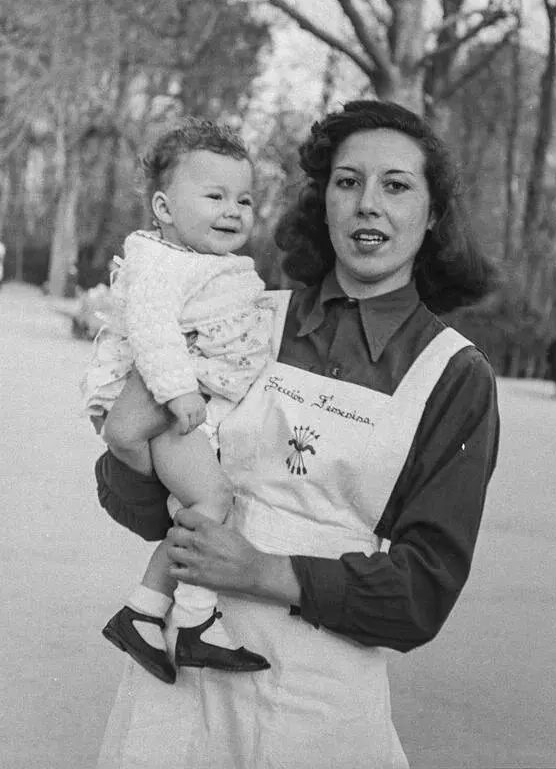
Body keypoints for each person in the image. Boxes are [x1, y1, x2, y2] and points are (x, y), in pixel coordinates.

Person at [94, 99, 501, 769]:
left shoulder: (454, 376)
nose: (369, 204)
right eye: (348, 182)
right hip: (175, 681)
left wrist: (259, 569)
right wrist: (128, 450)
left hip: (317, 705)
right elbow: (138, 500)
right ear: (325, 205)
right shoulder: (247, 314)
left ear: (431, 216)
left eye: (396, 186)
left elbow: (422, 591)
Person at [82, 119, 275, 685]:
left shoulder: (205, 262)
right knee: (211, 499)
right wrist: (177, 391)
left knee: (202, 504)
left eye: (243, 199)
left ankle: (145, 611)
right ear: (164, 208)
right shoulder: (161, 261)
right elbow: (150, 329)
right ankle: (191, 618)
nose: (233, 210)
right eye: (214, 196)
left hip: (180, 408)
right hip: (167, 409)